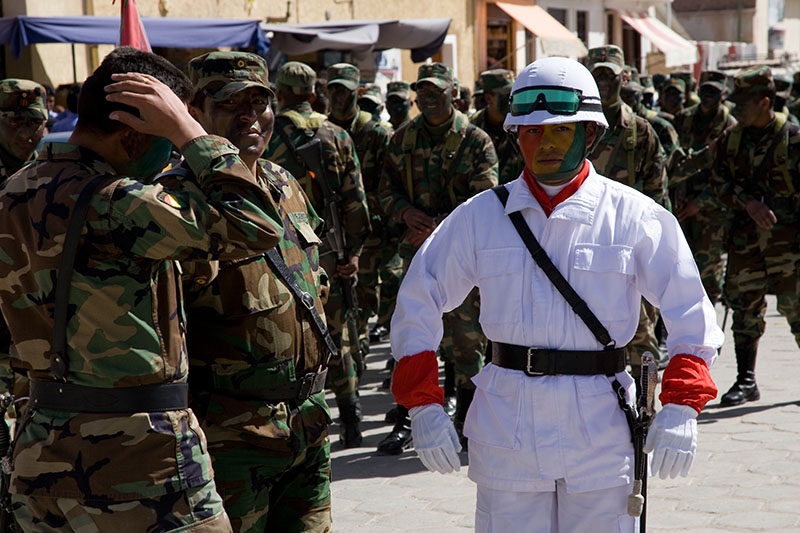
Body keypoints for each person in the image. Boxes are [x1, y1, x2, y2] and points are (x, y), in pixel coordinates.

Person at [388, 55, 722, 533]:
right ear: (515, 136)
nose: (544, 143)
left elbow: (691, 312)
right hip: (509, 426)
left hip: (601, 429)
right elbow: (417, 301)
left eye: (560, 131)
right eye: (531, 132)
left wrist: (682, 403)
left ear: (589, 134)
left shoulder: (634, 216)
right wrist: (421, 401)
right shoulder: (480, 217)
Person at [0, 46, 287, 531]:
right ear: (134, 138)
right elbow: (255, 226)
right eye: (166, 145)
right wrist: (191, 131)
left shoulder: (11, 193)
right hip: (142, 465)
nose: (170, 158)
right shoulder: (120, 204)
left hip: (41, 455)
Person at [181, 51, 333, 532]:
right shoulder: (178, 198)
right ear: (195, 112)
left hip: (307, 422)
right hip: (233, 436)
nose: (251, 116)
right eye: (231, 105)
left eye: (259, 102)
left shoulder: (284, 182)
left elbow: (311, 278)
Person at [378, 62, 498, 455]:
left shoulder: (475, 140)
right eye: (422, 93)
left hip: (463, 256)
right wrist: (404, 213)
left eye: (436, 93)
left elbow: (486, 196)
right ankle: (407, 417)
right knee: (411, 335)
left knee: (465, 343)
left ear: (454, 95)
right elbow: (384, 190)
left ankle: (466, 418)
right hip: (417, 255)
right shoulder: (401, 140)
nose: (427, 100)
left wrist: (441, 225)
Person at [263, 61, 371, 448]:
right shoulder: (337, 133)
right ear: (313, 92)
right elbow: (356, 202)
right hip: (330, 250)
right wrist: (353, 252)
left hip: (279, 252)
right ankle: (352, 415)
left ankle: (304, 420)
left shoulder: (269, 133)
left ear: (280, 92)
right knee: (338, 335)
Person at [709, 66, 800, 407]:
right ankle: (746, 380)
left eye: (743, 103)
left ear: (765, 102)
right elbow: (717, 184)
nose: (735, 109)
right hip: (746, 244)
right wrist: (746, 203)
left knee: (797, 311)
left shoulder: (793, 138)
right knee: (745, 311)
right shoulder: (732, 140)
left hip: (788, 246)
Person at [586, 45, 669, 376]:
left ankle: (644, 413)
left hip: (627, 248)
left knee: (640, 338)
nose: (604, 81)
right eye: (597, 75)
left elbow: (657, 196)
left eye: (610, 74)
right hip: (579, 246)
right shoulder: (572, 128)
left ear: (623, 77)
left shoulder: (640, 131)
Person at [326, 63, 396, 359]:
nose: (340, 97)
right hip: (332, 233)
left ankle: (368, 358)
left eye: (346, 91)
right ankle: (352, 364)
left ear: (360, 92)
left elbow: (391, 184)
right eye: (334, 91)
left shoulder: (376, 133)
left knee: (370, 299)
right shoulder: (321, 131)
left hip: (374, 234)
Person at [671, 70, 737, 305]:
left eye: (714, 92)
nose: (708, 96)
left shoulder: (730, 127)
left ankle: (708, 335)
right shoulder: (683, 118)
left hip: (711, 212)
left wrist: (699, 204)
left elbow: (733, 176)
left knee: (708, 275)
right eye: (705, 90)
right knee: (679, 269)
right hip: (681, 207)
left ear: (724, 94)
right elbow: (675, 162)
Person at [470, 69, 525, 185]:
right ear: (488, 98)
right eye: (506, 94)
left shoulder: (522, 126)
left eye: (513, 93)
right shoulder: (470, 128)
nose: (511, 99)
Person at [0, 79, 47, 181]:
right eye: (15, 121)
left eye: (35, 122)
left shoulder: (52, 174)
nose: (25, 134)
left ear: (45, 126)